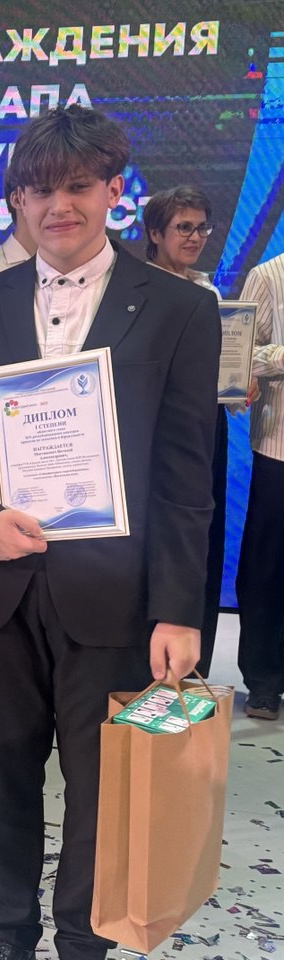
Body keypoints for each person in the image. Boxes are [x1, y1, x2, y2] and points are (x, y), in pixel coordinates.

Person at [0, 105, 219, 960]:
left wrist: (179, 609)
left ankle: (83, 941)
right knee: (4, 772)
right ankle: (9, 933)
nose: (60, 206)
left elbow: (185, 474)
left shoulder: (178, 309)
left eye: (79, 186)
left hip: (114, 592)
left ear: (115, 190)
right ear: (17, 200)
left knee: (102, 785)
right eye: (40, 190)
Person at [143, 185, 230, 678]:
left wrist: (240, 383)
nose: (195, 237)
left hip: (208, 421)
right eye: (183, 228)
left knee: (203, 533)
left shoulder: (208, 291)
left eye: (201, 228)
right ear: (155, 233)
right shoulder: (135, 290)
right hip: (152, 431)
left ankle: (192, 665)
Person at [236, 251, 284, 720]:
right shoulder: (269, 276)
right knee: (266, 569)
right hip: (279, 447)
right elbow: (241, 353)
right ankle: (264, 681)